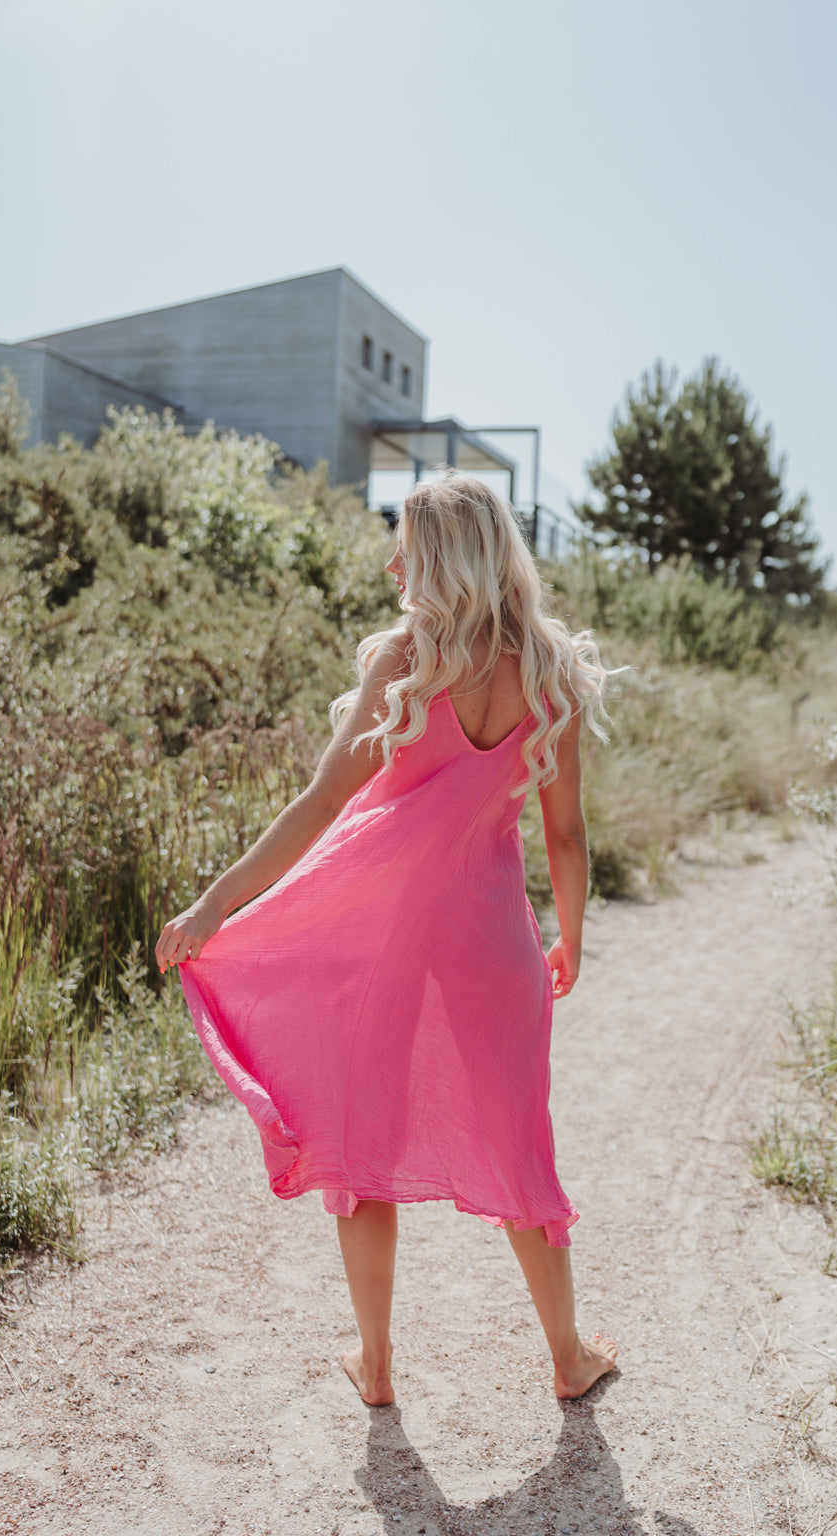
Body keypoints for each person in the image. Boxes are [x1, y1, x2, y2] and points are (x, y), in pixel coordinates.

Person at [155, 471, 619, 1406]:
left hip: (382, 936)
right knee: (519, 1144)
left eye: (404, 542)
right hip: (493, 946)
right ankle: (568, 1359)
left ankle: (376, 1366)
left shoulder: (411, 660)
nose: (392, 560)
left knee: (357, 1142)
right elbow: (565, 835)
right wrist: (568, 939)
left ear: (441, 556)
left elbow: (321, 805)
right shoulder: (550, 671)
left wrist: (214, 907)